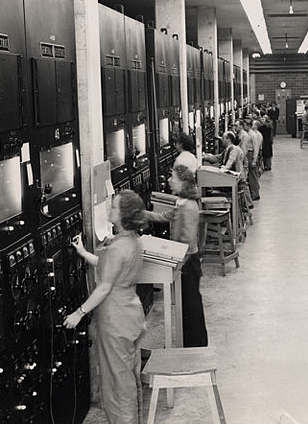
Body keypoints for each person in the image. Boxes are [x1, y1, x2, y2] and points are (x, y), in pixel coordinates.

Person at [64, 190, 147, 424]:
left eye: (114, 208)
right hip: (130, 313)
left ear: (123, 215)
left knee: (116, 381)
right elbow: (107, 265)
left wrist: (78, 313)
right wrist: (82, 252)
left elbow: (104, 287)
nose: (110, 210)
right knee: (127, 376)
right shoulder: (132, 241)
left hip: (115, 319)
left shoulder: (118, 247)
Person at [145, 165, 208, 347]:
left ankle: (195, 344)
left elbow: (186, 241)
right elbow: (165, 217)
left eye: (173, 178)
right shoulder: (182, 202)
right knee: (186, 303)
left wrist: (173, 260)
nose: (169, 180)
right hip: (184, 260)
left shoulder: (188, 206)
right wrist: (143, 214)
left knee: (190, 303)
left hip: (187, 262)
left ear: (183, 182)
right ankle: (188, 341)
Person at [244, 120, 261, 201]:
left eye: (244, 125)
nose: (244, 127)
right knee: (251, 176)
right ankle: (253, 193)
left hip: (250, 155)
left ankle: (255, 194)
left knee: (252, 176)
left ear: (248, 125)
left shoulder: (252, 135)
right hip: (248, 155)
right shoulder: (248, 133)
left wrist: (254, 160)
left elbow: (256, 147)